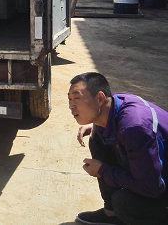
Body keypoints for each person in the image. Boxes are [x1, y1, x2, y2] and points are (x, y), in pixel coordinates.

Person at [68, 72, 168, 225]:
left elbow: (152, 187)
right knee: (97, 137)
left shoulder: (135, 127)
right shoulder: (114, 104)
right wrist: (95, 126)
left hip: (157, 184)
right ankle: (111, 213)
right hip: (156, 172)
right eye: (69, 99)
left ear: (100, 98)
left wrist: (103, 171)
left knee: (125, 203)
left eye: (76, 98)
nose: (71, 106)